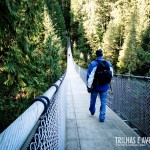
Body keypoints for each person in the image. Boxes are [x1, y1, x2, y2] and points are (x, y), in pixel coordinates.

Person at [86, 49, 113, 122]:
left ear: (96, 55)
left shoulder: (93, 64)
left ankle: (92, 111)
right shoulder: (108, 63)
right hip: (105, 86)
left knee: (93, 100)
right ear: (102, 55)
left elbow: (90, 76)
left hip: (95, 86)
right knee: (103, 102)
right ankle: (102, 117)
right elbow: (111, 75)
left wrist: (88, 86)